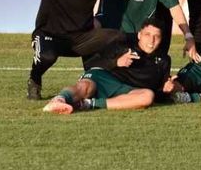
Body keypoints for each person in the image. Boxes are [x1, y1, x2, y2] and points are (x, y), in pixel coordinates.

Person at [42, 20, 170, 114]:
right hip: (105, 77)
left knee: (147, 96)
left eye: (156, 36)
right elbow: (92, 63)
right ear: (139, 35)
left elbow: (158, 94)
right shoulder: (123, 43)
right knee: (86, 86)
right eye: (147, 35)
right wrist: (116, 62)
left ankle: (86, 104)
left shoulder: (164, 60)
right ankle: (59, 100)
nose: (151, 40)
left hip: (128, 91)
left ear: (161, 39)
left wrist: (167, 89)